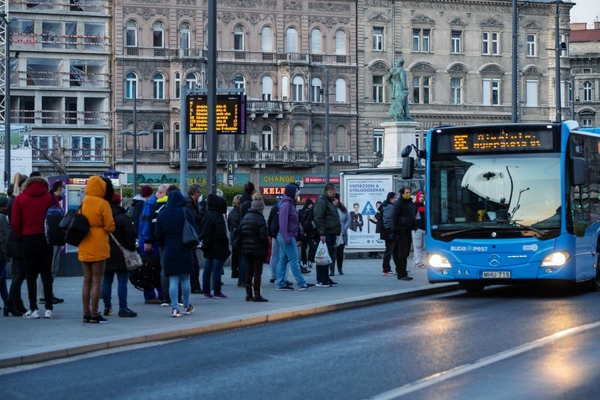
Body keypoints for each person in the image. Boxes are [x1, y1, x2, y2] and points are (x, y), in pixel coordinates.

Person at [11, 176, 61, 319]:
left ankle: (33, 309)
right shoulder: (50, 198)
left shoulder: (20, 199)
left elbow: (15, 222)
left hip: (27, 240)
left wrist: (21, 236)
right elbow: (57, 218)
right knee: (46, 274)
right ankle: (49, 308)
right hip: (46, 240)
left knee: (31, 275)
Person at [78, 176, 116, 323]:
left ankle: (86, 312)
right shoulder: (103, 203)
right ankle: (95, 313)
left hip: (84, 243)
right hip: (98, 244)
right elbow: (109, 226)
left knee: (86, 280)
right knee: (97, 280)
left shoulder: (84, 201)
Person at [155, 190, 196, 317]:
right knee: (185, 279)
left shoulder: (162, 214)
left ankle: (174, 308)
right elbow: (194, 228)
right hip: (185, 248)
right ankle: (187, 305)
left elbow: (158, 235)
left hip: (169, 249)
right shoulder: (185, 212)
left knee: (173, 280)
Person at [102, 193, 137, 318]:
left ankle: (107, 307)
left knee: (106, 281)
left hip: (105, 252)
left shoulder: (103, 217)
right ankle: (123, 308)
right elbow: (129, 236)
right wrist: (131, 248)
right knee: (122, 280)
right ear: (119, 201)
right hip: (122, 253)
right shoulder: (123, 217)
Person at [276, 183, 314, 291]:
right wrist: (287, 237)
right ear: (292, 192)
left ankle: (280, 283)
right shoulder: (287, 205)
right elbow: (282, 222)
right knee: (294, 260)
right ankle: (301, 283)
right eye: (296, 191)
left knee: (283, 260)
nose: (298, 193)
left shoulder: (289, 203)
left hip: (286, 235)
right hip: (287, 235)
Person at [3, 173, 28, 317]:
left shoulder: (12, 199)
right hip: (18, 239)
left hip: (14, 239)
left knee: (18, 272)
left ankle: (16, 303)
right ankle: (10, 302)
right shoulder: (16, 200)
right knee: (20, 273)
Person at [138, 184, 168, 304]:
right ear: (161, 193)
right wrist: (148, 240)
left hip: (151, 241)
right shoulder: (151, 204)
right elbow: (146, 224)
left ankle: (159, 293)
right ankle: (150, 294)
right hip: (150, 242)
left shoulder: (153, 203)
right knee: (150, 268)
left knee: (154, 267)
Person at [38, 179, 66, 306]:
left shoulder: (54, 199)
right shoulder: (52, 199)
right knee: (50, 268)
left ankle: (47, 293)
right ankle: (45, 294)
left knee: (51, 268)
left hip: (51, 237)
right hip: (53, 237)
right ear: (59, 189)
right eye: (63, 188)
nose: (64, 191)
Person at [238, 193, 270, 302]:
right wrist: (266, 247)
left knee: (249, 271)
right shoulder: (260, 219)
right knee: (257, 272)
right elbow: (263, 237)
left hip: (246, 249)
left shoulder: (245, 218)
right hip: (257, 250)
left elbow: (240, 233)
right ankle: (257, 294)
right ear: (260, 208)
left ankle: (248, 294)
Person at [202, 193, 230, 299]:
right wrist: (225, 243)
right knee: (217, 269)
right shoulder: (218, 216)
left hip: (207, 244)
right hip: (218, 246)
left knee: (207, 269)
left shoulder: (206, 213)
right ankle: (217, 291)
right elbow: (221, 233)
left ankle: (206, 291)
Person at [312, 183, 341, 287]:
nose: (335, 192)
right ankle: (321, 279)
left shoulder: (328, 201)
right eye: (334, 190)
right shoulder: (322, 201)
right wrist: (321, 233)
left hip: (330, 232)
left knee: (327, 256)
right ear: (329, 191)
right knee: (322, 256)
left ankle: (326, 277)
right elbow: (318, 218)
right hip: (326, 233)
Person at [391, 186, 416, 281]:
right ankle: (401, 273)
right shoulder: (399, 203)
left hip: (408, 230)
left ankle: (403, 272)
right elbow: (394, 216)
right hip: (401, 230)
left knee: (405, 253)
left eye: (409, 192)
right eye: (406, 192)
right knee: (402, 253)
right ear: (402, 193)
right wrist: (394, 229)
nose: (408, 194)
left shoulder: (409, 202)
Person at [185, 183, 204, 293]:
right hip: (190, 236)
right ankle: (195, 286)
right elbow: (194, 218)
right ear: (195, 193)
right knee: (193, 263)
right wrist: (202, 214)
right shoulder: (190, 204)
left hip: (191, 235)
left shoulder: (191, 203)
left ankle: (195, 285)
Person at [237, 181, 256, 286]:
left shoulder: (243, 202)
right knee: (246, 257)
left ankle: (242, 278)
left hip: (243, 231)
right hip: (248, 232)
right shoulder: (248, 203)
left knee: (243, 256)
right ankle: (244, 279)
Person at [379, 192, 399, 276]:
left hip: (387, 231)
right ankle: (386, 269)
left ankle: (396, 268)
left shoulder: (385, 205)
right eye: (394, 198)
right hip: (389, 232)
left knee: (393, 251)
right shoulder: (389, 207)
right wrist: (391, 231)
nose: (395, 200)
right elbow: (387, 220)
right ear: (391, 199)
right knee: (389, 250)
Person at [331, 194, 350, 276]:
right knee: (332, 253)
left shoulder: (342, 209)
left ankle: (340, 268)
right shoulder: (329, 209)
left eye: (336, 199)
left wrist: (345, 228)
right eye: (334, 200)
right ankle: (331, 270)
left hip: (342, 234)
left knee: (340, 253)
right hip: (332, 233)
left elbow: (348, 218)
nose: (335, 201)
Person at [227, 194, 242, 279]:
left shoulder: (232, 212)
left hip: (233, 235)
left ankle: (234, 271)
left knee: (234, 254)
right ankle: (238, 270)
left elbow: (230, 225)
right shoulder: (240, 212)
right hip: (239, 235)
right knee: (239, 254)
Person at [298, 198, 314, 273]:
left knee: (311, 247)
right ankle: (304, 262)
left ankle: (310, 260)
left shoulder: (313, 212)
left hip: (311, 232)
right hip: (304, 232)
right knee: (303, 248)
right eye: (310, 204)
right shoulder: (301, 212)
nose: (311, 206)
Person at [413, 191, 426, 269]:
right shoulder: (415, 206)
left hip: (422, 228)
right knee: (418, 246)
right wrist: (415, 227)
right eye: (420, 197)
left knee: (420, 246)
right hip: (418, 229)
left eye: (423, 197)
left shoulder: (423, 206)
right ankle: (418, 262)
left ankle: (416, 261)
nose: (422, 198)